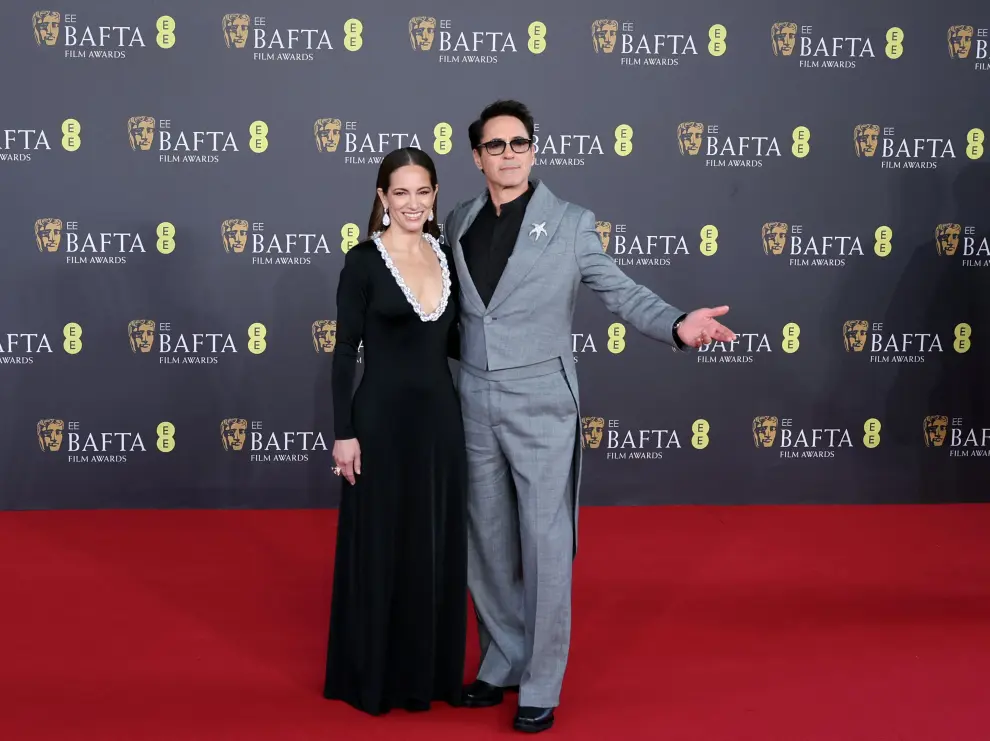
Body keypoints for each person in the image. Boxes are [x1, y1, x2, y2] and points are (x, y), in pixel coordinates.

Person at [443, 100, 736, 733]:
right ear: (477, 157)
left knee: (546, 545)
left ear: (534, 150)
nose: (509, 154)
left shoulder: (572, 224)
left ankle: (541, 682)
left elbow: (621, 290)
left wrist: (679, 325)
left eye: (519, 143)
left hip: (543, 403)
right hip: (470, 399)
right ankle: (503, 658)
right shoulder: (457, 218)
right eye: (495, 146)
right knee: (485, 542)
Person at [323, 147, 467, 716]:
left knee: (433, 545)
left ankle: (429, 676)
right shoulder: (362, 262)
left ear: (435, 196)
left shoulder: (447, 255)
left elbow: (457, 344)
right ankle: (374, 678)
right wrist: (343, 433)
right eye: (400, 192)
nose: (413, 202)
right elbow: (341, 355)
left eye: (423, 191)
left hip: (440, 423)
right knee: (381, 547)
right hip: (379, 425)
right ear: (382, 197)